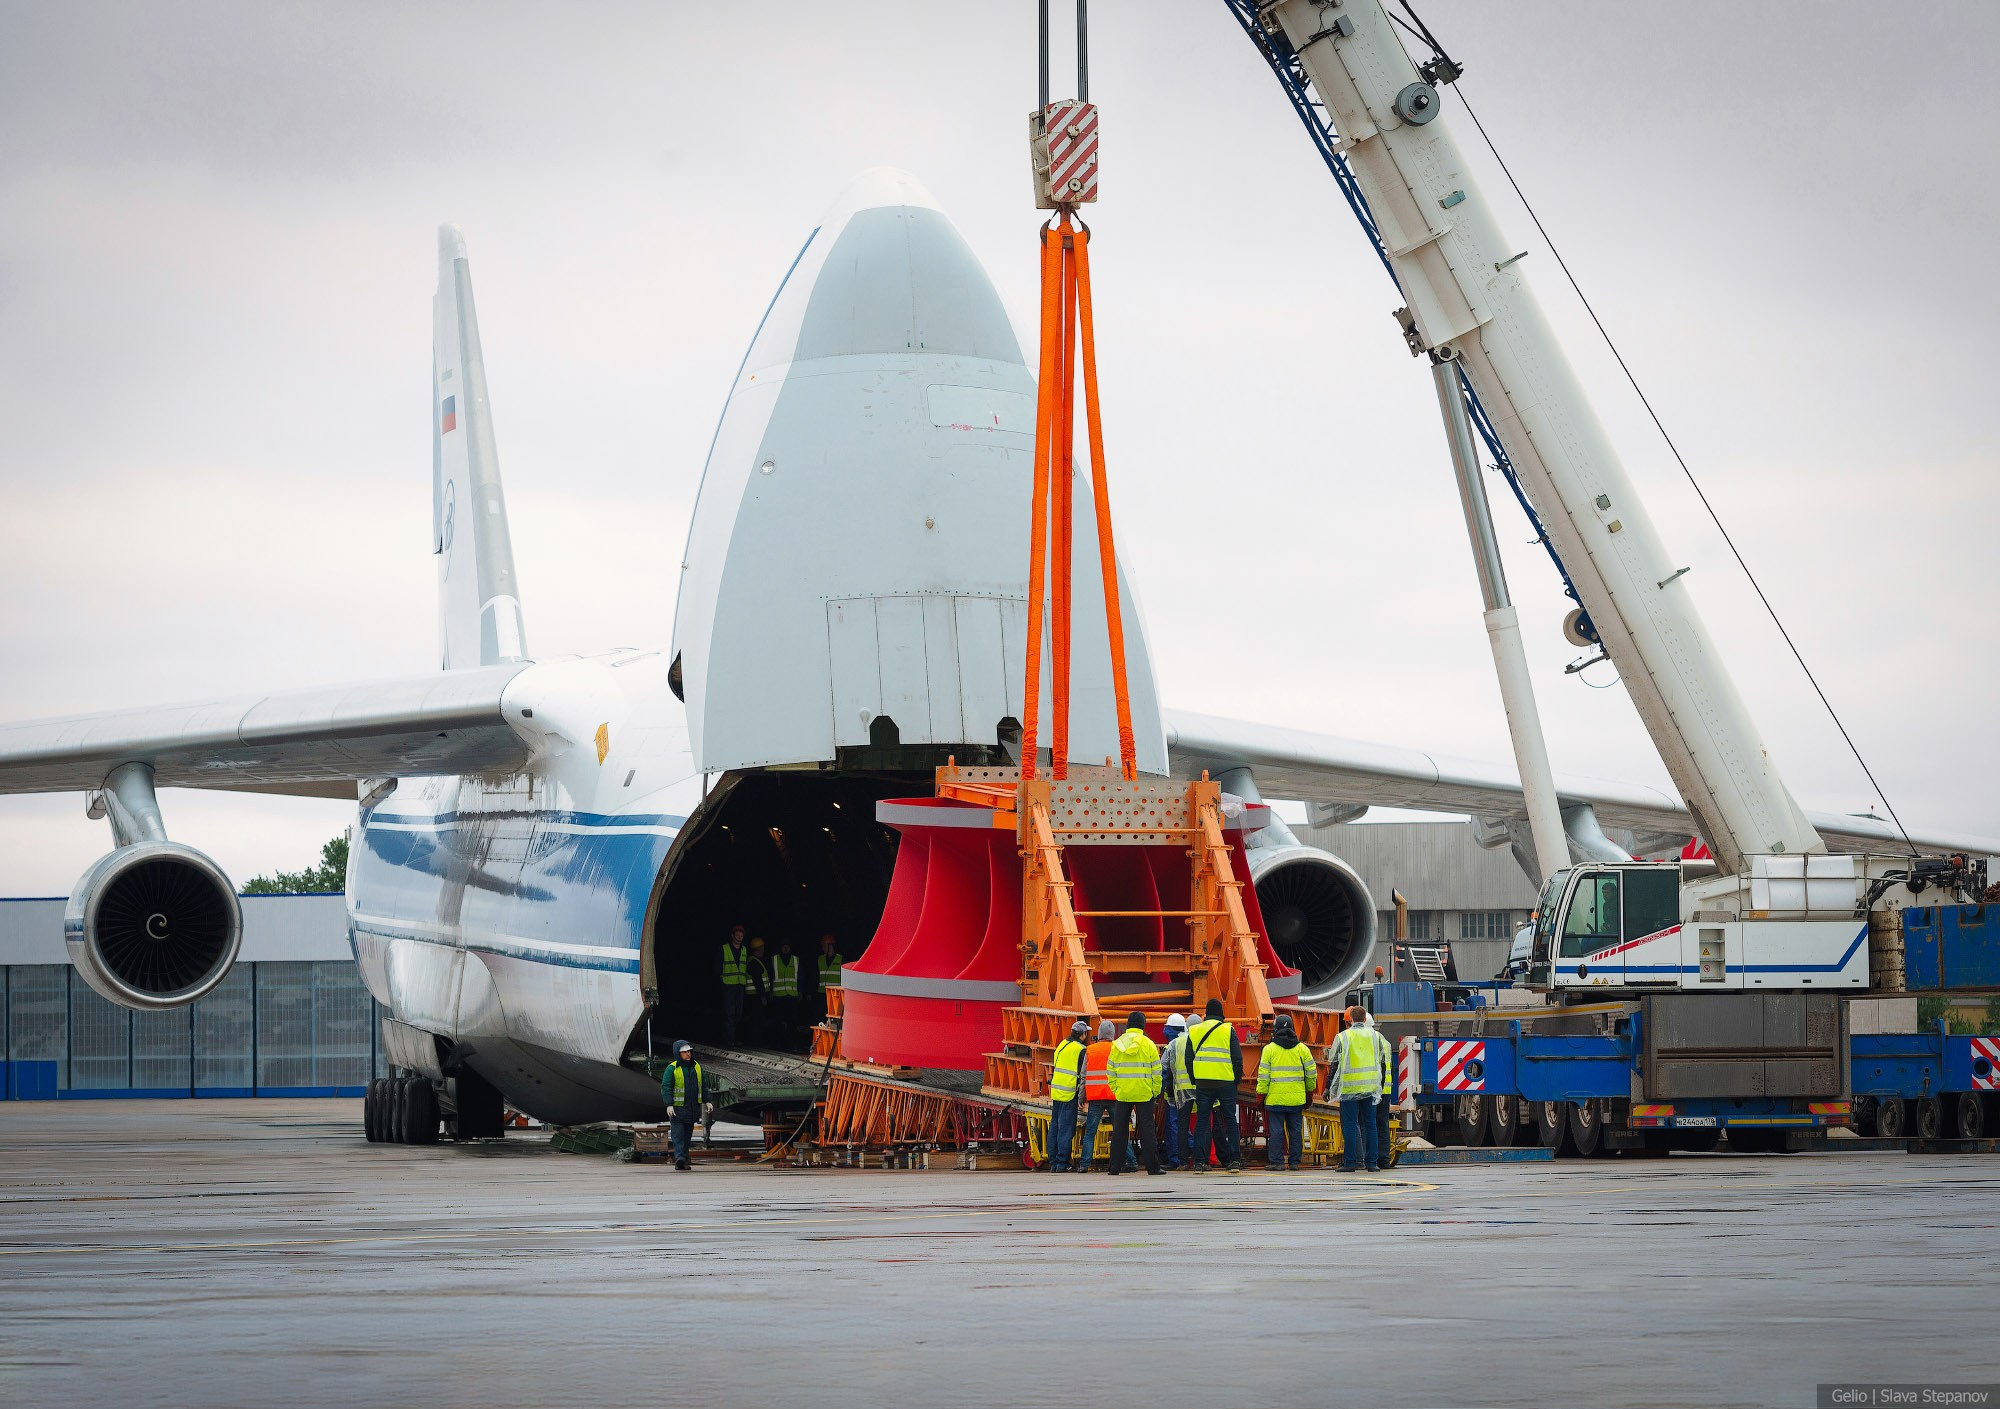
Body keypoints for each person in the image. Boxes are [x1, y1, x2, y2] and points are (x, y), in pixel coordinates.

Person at [1183, 998, 1244, 1173]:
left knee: (1202, 1122)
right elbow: (1237, 1058)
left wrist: (1195, 1079)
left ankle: (1200, 1162)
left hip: (1203, 1082)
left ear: (1206, 1014)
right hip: (1225, 1082)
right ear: (1221, 1013)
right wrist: (1236, 1080)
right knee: (1231, 1120)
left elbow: (1189, 1059)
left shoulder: (1194, 1030)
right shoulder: (1228, 1030)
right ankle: (1234, 1161)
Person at [1326, 1004, 1387, 1172]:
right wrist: (1378, 1088)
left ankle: (1351, 1163)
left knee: (1350, 1125)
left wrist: (1328, 1087)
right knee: (1370, 1124)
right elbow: (1382, 1063)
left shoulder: (1343, 1036)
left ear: (1351, 1019)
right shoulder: (1376, 1036)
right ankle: (1372, 1163)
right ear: (1365, 1019)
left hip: (1349, 1088)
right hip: (1370, 1086)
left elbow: (1334, 1064)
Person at [1254, 1013, 1317, 1171]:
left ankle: (1277, 1162)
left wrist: (1260, 1095)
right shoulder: (1302, 1049)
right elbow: (1311, 1074)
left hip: (1275, 1099)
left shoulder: (1269, 1050)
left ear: (1275, 1029)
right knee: (1295, 1130)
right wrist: (1309, 1093)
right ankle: (1295, 1162)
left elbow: (1263, 1077)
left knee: (1276, 1131)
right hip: (1296, 1099)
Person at [1105, 1012, 1164, 1176]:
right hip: (1145, 1093)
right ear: (1143, 1025)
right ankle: (1153, 1167)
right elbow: (1156, 1071)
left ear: (1128, 1025)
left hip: (1123, 1093)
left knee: (1119, 1131)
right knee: (1147, 1130)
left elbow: (1110, 1071)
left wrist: (1116, 1089)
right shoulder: (1149, 1044)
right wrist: (1155, 1091)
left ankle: (1114, 1167)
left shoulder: (1117, 1044)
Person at [660, 1040, 713, 1171]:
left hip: (692, 1108)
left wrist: (708, 1101)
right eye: (684, 1052)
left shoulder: (697, 1067)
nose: (688, 1054)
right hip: (677, 1110)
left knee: (687, 1136)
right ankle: (680, 1159)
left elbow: (703, 1086)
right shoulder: (672, 1068)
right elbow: (666, 1087)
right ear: (678, 1054)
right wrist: (669, 1104)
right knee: (678, 1136)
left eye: (689, 1051)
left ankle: (683, 1159)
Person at [1079, 1019, 1123, 1173]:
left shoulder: (1090, 1050)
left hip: (1095, 1097)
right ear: (1112, 1034)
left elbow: (1083, 1076)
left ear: (1099, 1034)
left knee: (1090, 1132)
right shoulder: (1118, 1048)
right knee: (1120, 1129)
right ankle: (1130, 1161)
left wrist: (1081, 1098)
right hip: (1114, 1096)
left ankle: (1084, 1164)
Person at [1046, 1018, 1090, 1173]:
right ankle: (1062, 1162)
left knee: (1055, 1127)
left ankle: (1053, 1162)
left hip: (1057, 1090)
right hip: (1069, 1092)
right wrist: (1081, 1097)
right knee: (1066, 1128)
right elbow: (1082, 1074)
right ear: (1083, 1034)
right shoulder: (1080, 1049)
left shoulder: (1061, 1045)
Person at [1157, 1013, 1191, 1170]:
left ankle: (1176, 1158)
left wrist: (1159, 1091)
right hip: (1193, 1092)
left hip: (1175, 1093)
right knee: (1186, 1126)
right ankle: (1194, 1153)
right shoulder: (1190, 1042)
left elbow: (1163, 1072)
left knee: (1174, 1126)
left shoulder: (1171, 1046)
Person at [1365, 1008, 1396, 1164]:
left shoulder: (1368, 1040)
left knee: (1368, 1124)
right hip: (1386, 1089)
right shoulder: (1384, 1041)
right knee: (1382, 1124)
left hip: (1372, 1089)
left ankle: (1369, 1157)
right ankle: (1384, 1158)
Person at [719, 926, 751, 1045]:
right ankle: (729, 1040)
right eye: (737, 935)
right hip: (728, 984)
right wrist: (720, 979)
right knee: (729, 1013)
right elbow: (718, 965)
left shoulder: (744, 950)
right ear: (732, 935)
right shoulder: (725, 948)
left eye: (741, 936)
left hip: (740, 984)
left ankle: (733, 1037)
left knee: (738, 1013)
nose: (739, 938)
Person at [770, 941, 801, 1046]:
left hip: (792, 995)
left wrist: (800, 991)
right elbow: (770, 977)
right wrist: (770, 992)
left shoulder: (796, 960)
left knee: (792, 1021)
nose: (786, 948)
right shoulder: (773, 959)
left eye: (788, 946)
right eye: (784, 946)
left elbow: (801, 977)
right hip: (778, 995)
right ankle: (778, 1041)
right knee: (778, 1021)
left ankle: (790, 1042)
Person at [746, 936, 771, 1044]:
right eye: (762, 948)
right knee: (757, 1020)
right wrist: (763, 996)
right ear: (758, 949)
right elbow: (758, 982)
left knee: (755, 1019)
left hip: (754, 997)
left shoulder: (754, 961)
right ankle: (756, 1041)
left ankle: (755, 1040)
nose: (763, 950)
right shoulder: (754, 963)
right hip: (755, 997)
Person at [814, 933, 845, 1022]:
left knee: (835, 1018)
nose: (822, 948)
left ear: (830, 946)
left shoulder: (841, 959)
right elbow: (816, 976)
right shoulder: (820, 959)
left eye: (824, 946)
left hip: (835, 995)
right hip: (822, 994)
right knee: (819, 1018)